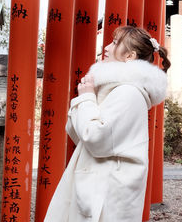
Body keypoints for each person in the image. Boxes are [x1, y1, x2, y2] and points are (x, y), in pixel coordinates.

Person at [44, 25, 170, 222]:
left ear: (129, 56)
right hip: (99, 183)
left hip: (106, 191)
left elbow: (95, 138)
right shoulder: (116, 90)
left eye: (115, 43)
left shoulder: (128, 93)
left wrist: (86, 100)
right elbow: (79, 135)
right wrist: (87, 100)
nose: (107, 47)